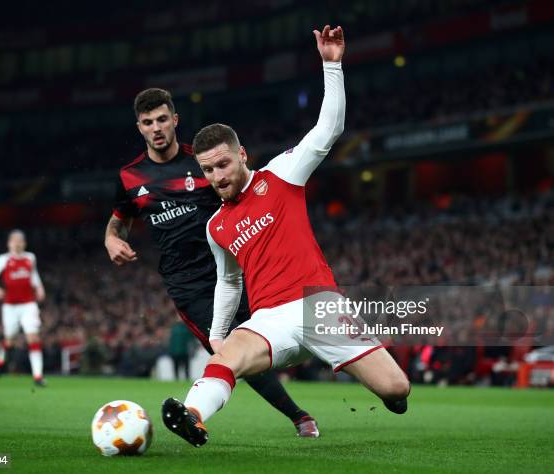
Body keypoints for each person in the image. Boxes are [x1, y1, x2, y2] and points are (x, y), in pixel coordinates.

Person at [162, 25, 410, 447]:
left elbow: (327, 131)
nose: (217, 175)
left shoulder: (281, 174)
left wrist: (332, 65)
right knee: (227, 358)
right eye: (207, 170)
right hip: (268, 320)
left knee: (395, 390)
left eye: (222, 164)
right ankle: (192, 416)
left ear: (241, 155)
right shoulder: (216, 226)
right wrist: (220, 333)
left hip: (319, 306)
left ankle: (390, 390)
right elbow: (229, 281)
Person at [105, 88, 319, 436]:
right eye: (148, 122)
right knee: (233, 351)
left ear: (174, 120)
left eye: (162, 119)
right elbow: (119, 219)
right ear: (139, 128)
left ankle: (360, 363)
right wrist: (112, 238)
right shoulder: (129, 178)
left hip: (233, 268)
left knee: (281, 332)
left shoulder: (203, 162)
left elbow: (241, 192)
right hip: (188, 284)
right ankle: (299, 416)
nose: (156, 128)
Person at [0, 229, 46, 386]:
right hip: (10, 306)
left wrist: (39, 287)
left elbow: (34, 275)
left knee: (33, 336)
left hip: (28, 304)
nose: (17, 244)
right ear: (9, 243)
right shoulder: (3, 260)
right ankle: (0, 363)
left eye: (20, 241)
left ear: (24, 243)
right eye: (14, 241)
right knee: (9, 339)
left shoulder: (30, 258)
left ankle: (38, 377)